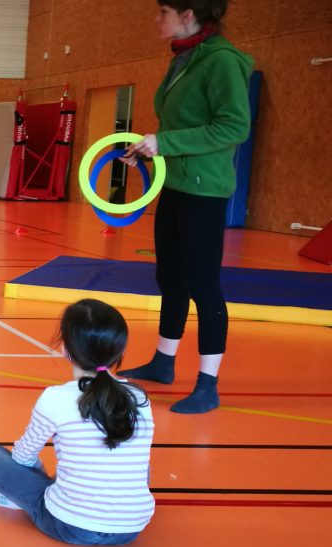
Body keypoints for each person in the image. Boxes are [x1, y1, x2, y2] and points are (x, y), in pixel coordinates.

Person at [118, 0, 253, 414]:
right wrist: (149, 149)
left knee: (203, 285)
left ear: (189, 15)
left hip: (204, 190)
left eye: (163, 11)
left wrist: (167, 143)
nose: (157, 19)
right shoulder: (184, 58)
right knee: (170, 278)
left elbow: (234, 126)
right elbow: (179, 124)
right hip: (175, 183)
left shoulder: (221, 61)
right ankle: (163, 361)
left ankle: (208, 384)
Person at [0, 299, 155, 546]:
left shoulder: (55, 398)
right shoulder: (139, 396)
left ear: (66, 350)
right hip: (131, 529)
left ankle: (23, 497)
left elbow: (23, 457)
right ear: (120, 352)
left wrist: (34, 475)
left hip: (69, 526)